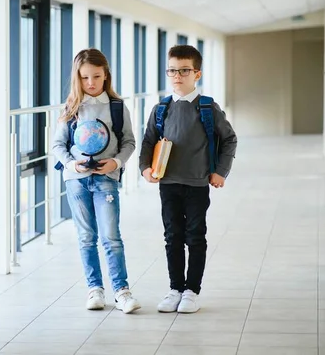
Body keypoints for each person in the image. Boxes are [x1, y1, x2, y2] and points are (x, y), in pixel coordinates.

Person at [139, 45, 237, 313]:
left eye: (184, 70)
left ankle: (192, 291)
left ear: (197, 74)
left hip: (196, 184)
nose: (177, 76)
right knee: (172, 236)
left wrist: (220, 171)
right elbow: (149, 140)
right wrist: (145, 167)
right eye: (172, 70)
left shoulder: (207, 108)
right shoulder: (161, 108)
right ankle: (175, 289)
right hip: (168, 183)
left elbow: (229, 139)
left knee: (195, 236)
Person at [52, 48, 140, 314]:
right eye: (84, 77)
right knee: (86, 237)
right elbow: (57, 145)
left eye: (96, 76)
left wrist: (116, 162)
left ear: (106, 76)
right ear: (77, 78)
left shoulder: (116, 106)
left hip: (106, 180)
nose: (90, 82)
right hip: (77, 181)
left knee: (111, 237)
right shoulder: (71, 108)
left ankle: (122, 292)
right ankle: (95, 289)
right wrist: (70, 163)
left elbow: (129, 141)